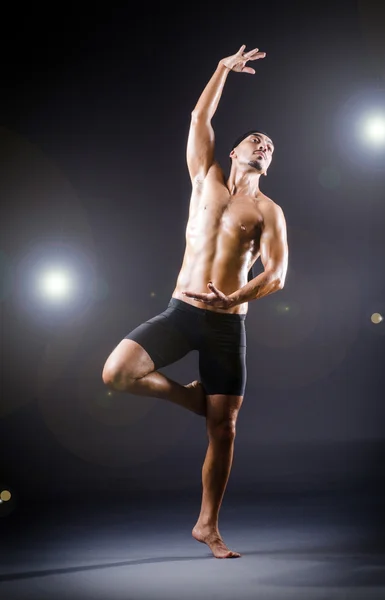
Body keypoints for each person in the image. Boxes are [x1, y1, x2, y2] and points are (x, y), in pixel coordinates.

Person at [102, 45, 289, 559]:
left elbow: (276, 274)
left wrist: (235, 296)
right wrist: (223, 68)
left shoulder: (269, 210)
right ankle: (191, 398)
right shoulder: (203, 177)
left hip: (228, 325)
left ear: (268, 165)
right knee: (117, 373)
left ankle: (208, 526)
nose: (264, 143)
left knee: (223, 429)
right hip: (182, 312)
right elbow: (199, 115)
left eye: (270, 145)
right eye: (255, 138)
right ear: (232, 150)